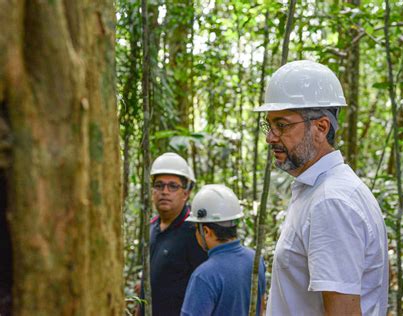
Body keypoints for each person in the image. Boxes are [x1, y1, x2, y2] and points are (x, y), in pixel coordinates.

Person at [254, 60, 389, 315]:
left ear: (320, 127)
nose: (270, 137)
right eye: (269, 125)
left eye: (281, 125)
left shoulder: (331, 201)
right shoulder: (318, 190)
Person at [181, 184, 266, 316]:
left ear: (205, 231)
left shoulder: (204, 275)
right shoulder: (256, 259)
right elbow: (261, 307)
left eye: (196, 229)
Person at [139, 152, 207, 316]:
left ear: (186, 193)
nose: (165, 191)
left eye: (173, 186)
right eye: (159, 185)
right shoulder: (151, 227)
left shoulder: (195, 232)